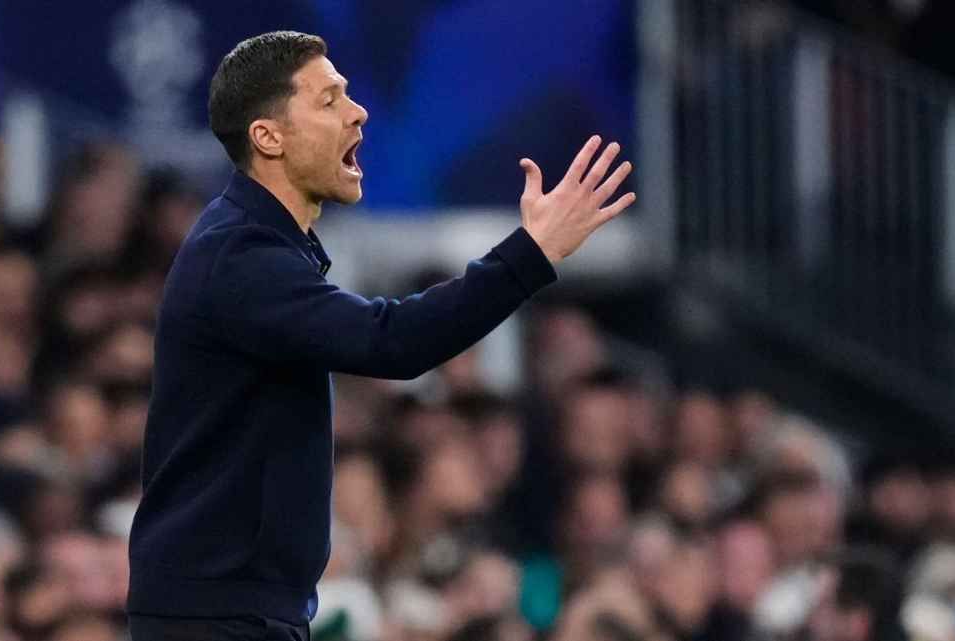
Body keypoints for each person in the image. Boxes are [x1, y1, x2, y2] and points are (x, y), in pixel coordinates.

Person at [125, 31, 635, 641]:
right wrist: (533, 253)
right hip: (216, 617)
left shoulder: (253, 245)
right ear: (268, 137)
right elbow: (393, 341)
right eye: (329, 100)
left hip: (239, 609)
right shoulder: (240, 255)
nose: (358, 111)